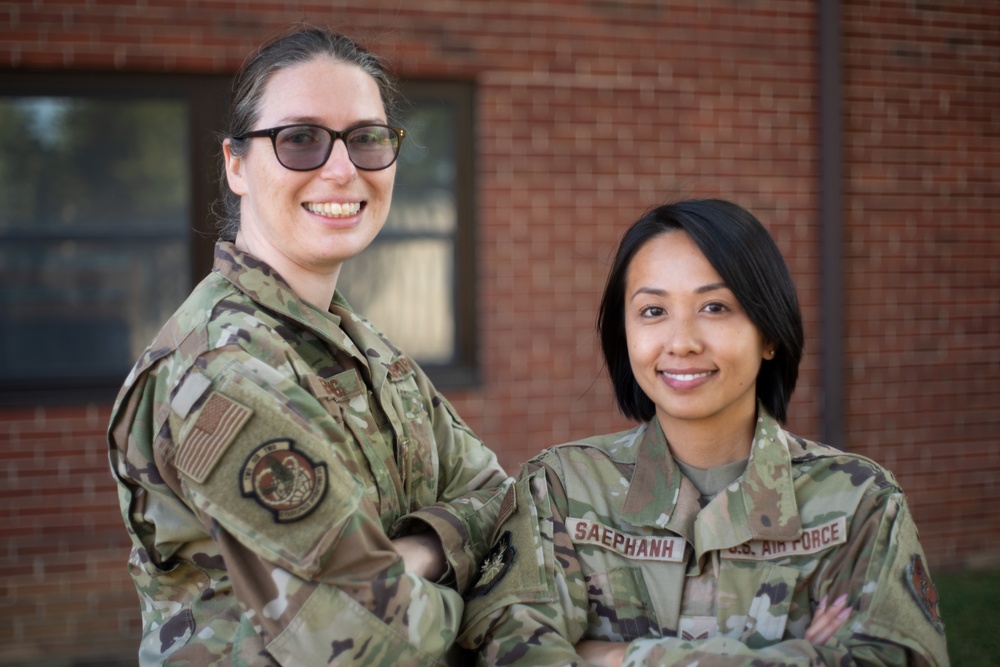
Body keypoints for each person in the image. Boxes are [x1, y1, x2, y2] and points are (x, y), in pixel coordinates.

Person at [107, 25, 510, 665]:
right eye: (301, 140)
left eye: (367, 139)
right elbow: (363, 640)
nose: (343, 168)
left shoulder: (361, 344)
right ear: (236, 164)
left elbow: (499, 495)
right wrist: (492, 609)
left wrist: (418, 553)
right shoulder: (221, 369)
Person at [458, 199, 948, 666]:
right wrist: (804, 657)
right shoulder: (561, 489)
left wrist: (615, 655)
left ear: (770, 333)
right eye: (653, 311)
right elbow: (514, 652)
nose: (683, 342)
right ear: (624, 334)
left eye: (715, 307)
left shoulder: (859, 503)